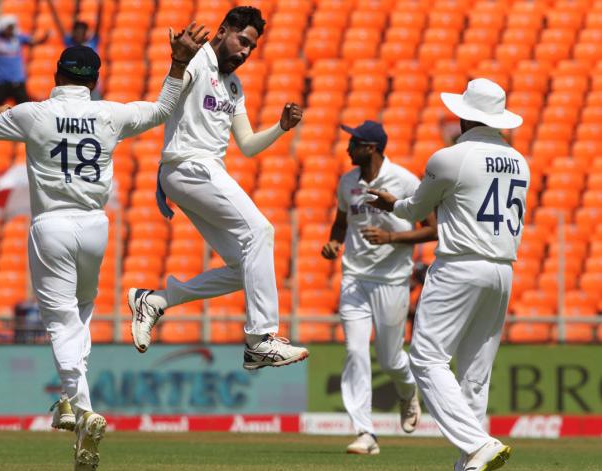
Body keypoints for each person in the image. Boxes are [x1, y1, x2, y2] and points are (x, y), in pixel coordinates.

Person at [0, 25, 207, 470]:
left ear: (55, 74)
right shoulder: (110, 115)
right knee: (81, 313)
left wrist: (8, 118)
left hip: (52, 224)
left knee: (60, 322)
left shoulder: (32, 114)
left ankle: (77, 406)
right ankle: (74, 405)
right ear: (94, 81)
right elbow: (161, 110)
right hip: (96, 226)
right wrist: (177, 63)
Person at [127, 6, 308, 370]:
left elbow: (248, 145)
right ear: (223, 31)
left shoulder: (234, 86)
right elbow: (166, 103)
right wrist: (178, 62)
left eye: (251, 49)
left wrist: (281, 128)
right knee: (261, 231)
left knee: (247, 267)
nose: (244, 52)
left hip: (198, 171)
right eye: (242, 41)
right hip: (188, 165)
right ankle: (261, 338)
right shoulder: (198, 60)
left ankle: (156, 300)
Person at [368, 78, 529, 471]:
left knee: (425, 358)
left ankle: (477, 444)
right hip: (503, 270)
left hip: (459, 265)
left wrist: (394, 203)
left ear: (464, 116)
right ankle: (470, 463)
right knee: (475, 371)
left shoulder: (450, 157)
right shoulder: (519, 160)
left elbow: (415, 209)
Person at [321, 121, 437, 455]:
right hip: (354, 278)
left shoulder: (404, 180)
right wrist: (333, 242)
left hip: (392, 280)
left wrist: (392, 238)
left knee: (390, 360)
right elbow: (341, 223)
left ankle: (407, 391)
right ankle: (365, 433)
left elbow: (432, 230)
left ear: (371, 148)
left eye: (353, 143)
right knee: (355, 352)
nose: (347, 148)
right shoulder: (347, 182)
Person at [0, 7, 49, 105]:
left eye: (12, 27)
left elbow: (34, 41)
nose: (11, 29)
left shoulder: (18, 38)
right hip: (0, 83)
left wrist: (45, 37)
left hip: (18, 82)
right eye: (9, 27)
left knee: (24, 109)